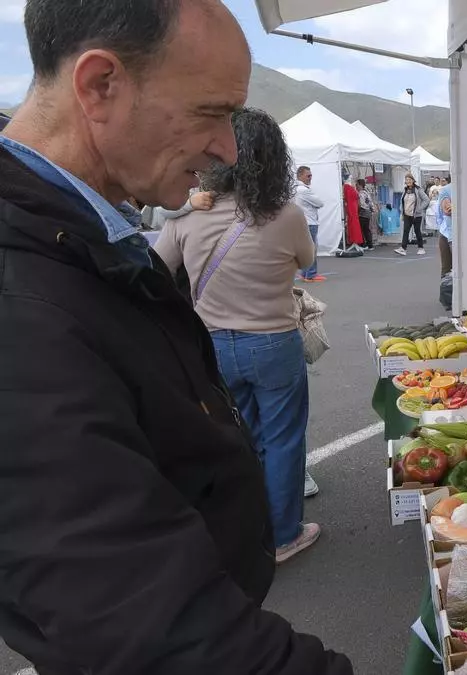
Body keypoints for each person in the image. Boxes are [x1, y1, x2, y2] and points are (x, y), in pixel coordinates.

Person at [0, 0, 352, 672]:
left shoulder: (77, 231)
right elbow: (146, 624)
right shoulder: (20, 293)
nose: (227, 147)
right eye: (210, 112)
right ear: (100, 85)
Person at [155, 108, 320, 564]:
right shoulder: (286, 215)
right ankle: (284, 534)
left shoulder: (185, 217)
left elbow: (155, 266)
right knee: (283, 438)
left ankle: (243, 529)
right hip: (273, 342)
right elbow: (305, 260)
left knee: (238, 437)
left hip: (212, 346)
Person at [295, 165, 326, 283]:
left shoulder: (296, 189)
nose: (310, 178)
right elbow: (319, 203)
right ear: (300, 176)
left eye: (311, 175)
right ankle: (310, 275)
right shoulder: (304, 190)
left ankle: (305, 273)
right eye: (308, 176)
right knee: (312, 248)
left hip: (303, 222)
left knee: (305, 249)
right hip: (310, 222)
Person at [395, 172, 429, 256]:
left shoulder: (418, 190)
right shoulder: (405, 190)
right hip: (407, 214)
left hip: (416, 215)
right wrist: (402, 211)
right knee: (406, 231)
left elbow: (426, 200)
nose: (408, 181)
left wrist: (419, 209)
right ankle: (403, 249)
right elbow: (402, 201)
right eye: (406, 180)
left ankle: (421, 248)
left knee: (417, 231)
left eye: (409, 179)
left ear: (413, 180)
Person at [437, 175, 454, 278]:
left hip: (466, 236)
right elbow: (447, 210)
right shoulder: (446, 190)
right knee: (446, 272)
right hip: (448, 234)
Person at [343, 174, 364, 250]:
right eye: (350, 178)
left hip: (353, 209)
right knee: (353, 225)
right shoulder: (348, 187)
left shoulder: (348, 187)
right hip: (352, 209)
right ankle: (354, 241)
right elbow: (350, 198)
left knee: (354, 225)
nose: (351, 179)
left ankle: (355, 241)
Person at [356, 177, 376, 250]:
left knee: (362, 229)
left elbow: (360, 205)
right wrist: (372, 210)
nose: (356, 186)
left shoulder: (360, 194)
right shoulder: (366, 192)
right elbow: (371, 203)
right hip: (368, 213)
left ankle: (363, 244)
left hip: (363, 212)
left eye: (357, 185)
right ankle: (369, 244)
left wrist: (357, 211)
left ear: (360, 185)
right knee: (366, 229)